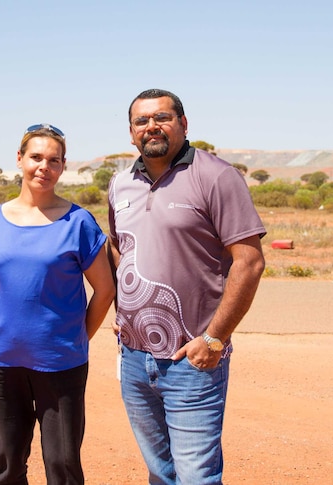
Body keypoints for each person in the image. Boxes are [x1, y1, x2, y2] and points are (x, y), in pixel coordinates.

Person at [107, 89, 266, 484]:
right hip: (133, 359)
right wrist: (123, 310)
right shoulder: (120, 184)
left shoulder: (216, 176)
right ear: (131, 133)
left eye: (162, 117)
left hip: (192, 359)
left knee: (196, 477)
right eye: (141, 121)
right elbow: (118, 248)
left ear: (183, 123)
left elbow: (249, 262)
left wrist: (214, 339)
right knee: (160, 473)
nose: (151, 127)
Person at [0, 123, 115, 485]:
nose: (44, 167)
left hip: (60, 362)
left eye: (54, 160)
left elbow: (105, 289)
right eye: (36, 157)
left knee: (63, 465)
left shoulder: (78, 222)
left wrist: (78, 337)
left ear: (63, 167)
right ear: (19, 160)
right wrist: (2, 324)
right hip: (0, 361)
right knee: (6, 465)